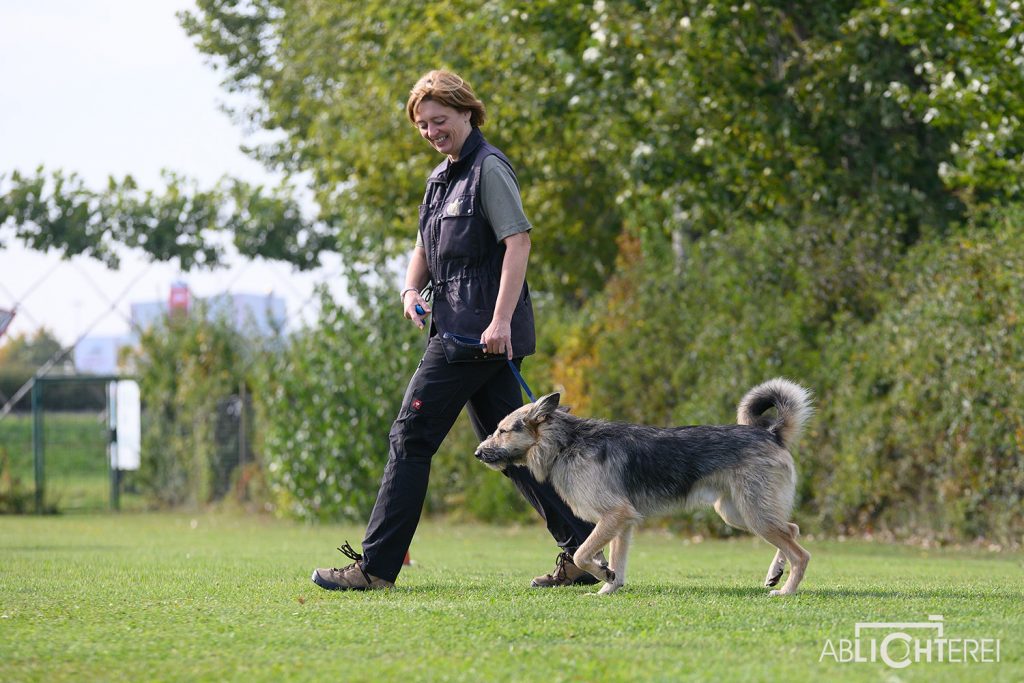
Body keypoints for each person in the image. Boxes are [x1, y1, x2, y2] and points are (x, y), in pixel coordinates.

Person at [312, 70, 599, 590]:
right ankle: (583, 554)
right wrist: (409, 291)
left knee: (411, 436)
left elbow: (518, 244)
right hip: (459, 329)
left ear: (468, 112)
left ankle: (375, 568)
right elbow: (424, 246)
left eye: (439, 120)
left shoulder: (489, 169)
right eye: (422, 125)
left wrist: (500, 320)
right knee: (512, 452)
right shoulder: (442, 178)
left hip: (474, 336)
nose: (431, 131)